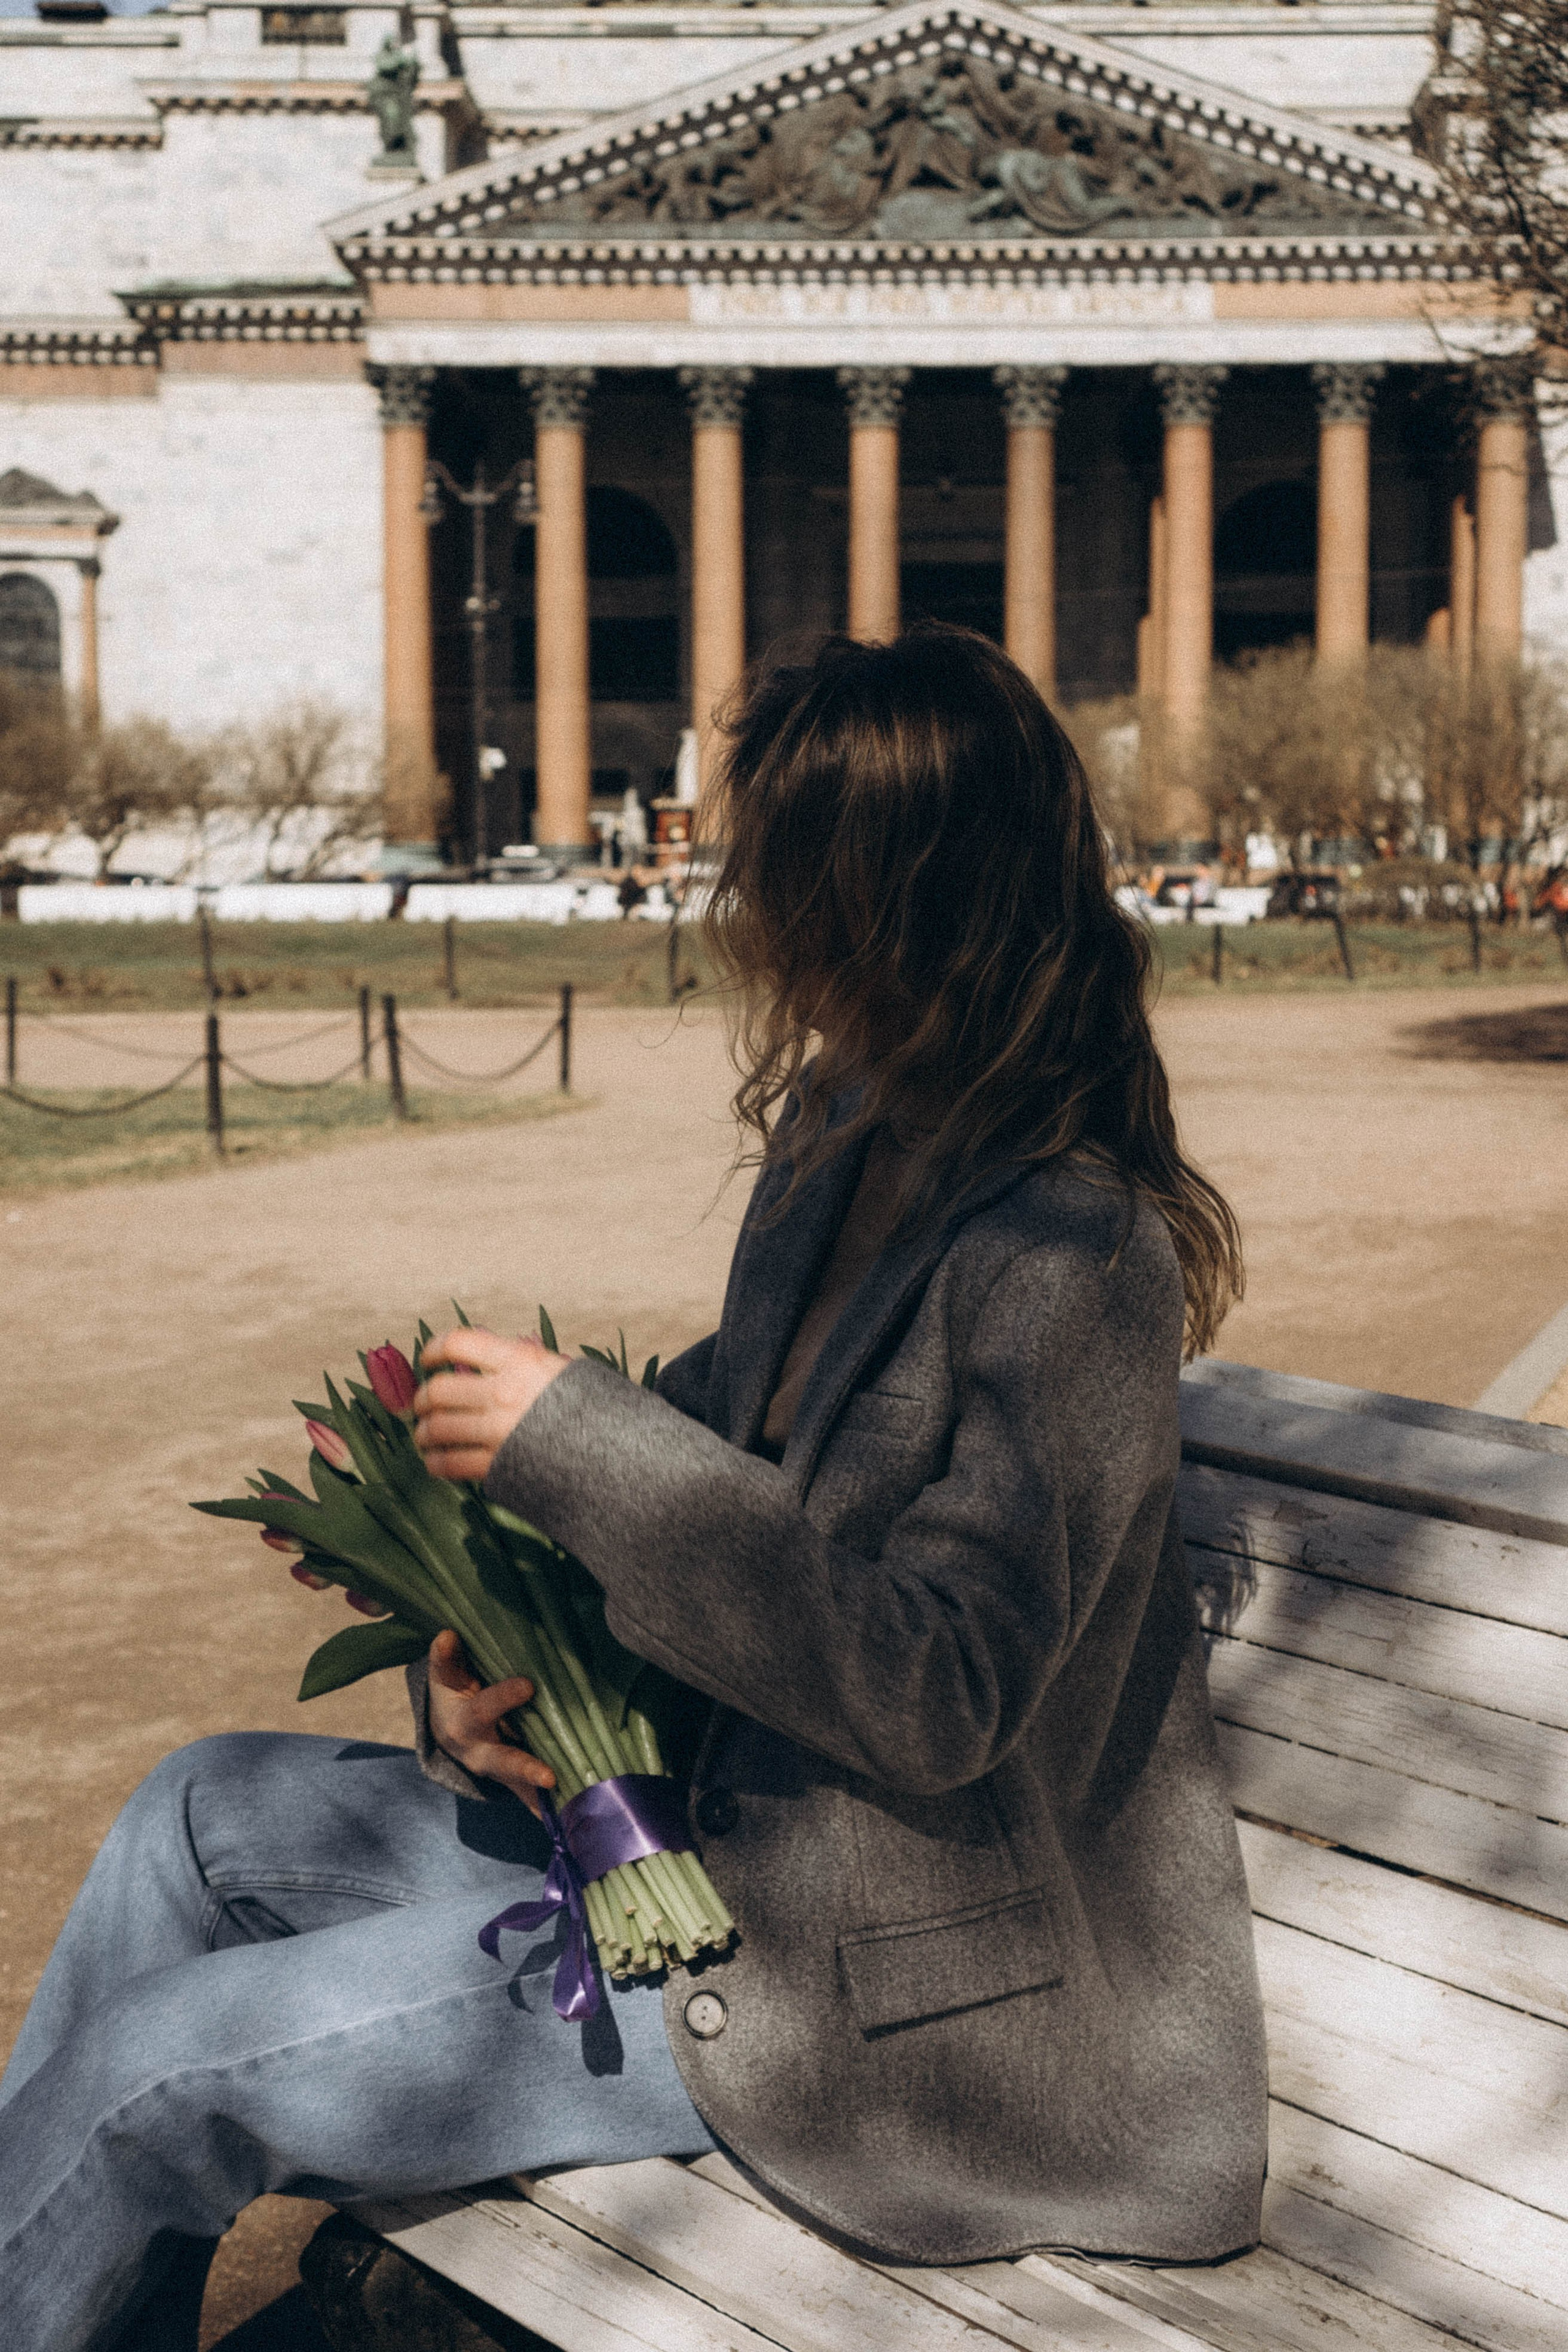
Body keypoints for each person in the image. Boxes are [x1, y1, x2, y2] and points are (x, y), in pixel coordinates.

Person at [0, 627, 1267, 2351]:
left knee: (165, 2077)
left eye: (785, 875)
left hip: (892, 2009)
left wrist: (582, 1445)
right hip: (705, 1864)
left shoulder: (1076, 1251)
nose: (749, 912)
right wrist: (491, 1648)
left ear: (902, 901)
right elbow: (720, 1479)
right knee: (195, 1815)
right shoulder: (844, 1151)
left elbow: (942, 1688)